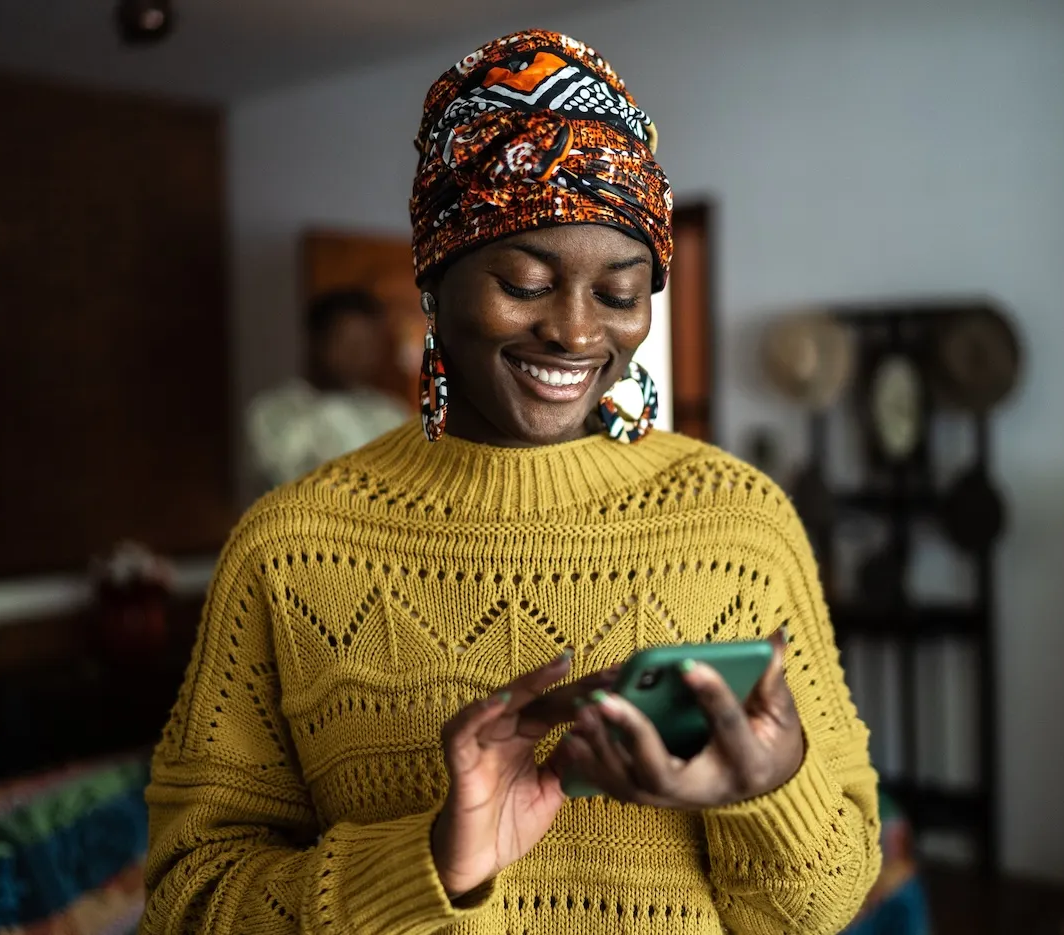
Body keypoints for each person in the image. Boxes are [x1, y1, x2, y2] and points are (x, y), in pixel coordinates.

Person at [142, 29, 880, 935]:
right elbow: (189, 902)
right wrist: (430, 863)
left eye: (619, 294)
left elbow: (821, 905)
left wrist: (772, 788)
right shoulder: (289, 547)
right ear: (436, 278)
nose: (575, 333)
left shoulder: (739, 522)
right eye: (524, 283)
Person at [246, 288, 410, 489]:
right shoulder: (275, 411)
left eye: (368, 345)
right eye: (350, 344)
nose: (359, 356)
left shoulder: (390, 413)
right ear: (317, 342)